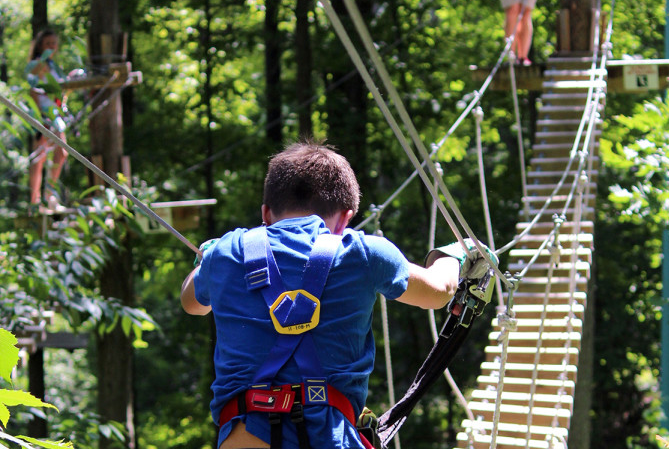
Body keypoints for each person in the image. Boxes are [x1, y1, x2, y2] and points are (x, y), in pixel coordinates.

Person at [180, 141, 486, 449]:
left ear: (266, 214)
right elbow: (439, 292)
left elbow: (191, 303)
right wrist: (456, 254)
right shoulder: (365, 253)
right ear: (346, 217)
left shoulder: (226, 253)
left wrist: (206, 257)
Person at [25, 29, 69, 209]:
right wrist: (39, 116)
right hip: (43, 114)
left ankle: (49, 195)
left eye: (54, 43)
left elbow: (60, 91)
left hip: (56, 115)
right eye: (47, 44)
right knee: (40, 156)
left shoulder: (54, 66)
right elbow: (33, 90)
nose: (51, 47)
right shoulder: (38, 64)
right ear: (40, 46)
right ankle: (35, 201)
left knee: (61, 153)